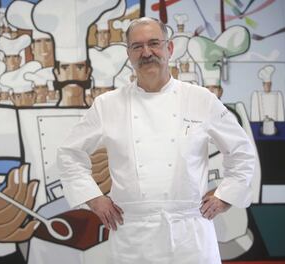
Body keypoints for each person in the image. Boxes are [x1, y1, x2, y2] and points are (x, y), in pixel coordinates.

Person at [57, 17, 255, 264]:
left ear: (169, 49)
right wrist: (94, 198)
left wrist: (226, 196)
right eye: (137, 46)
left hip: (190, 234)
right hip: (133, 235)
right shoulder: (107, 105)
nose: (146, 52)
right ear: (129, 54)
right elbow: (69, 154)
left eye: (154, 43)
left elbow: (241, 152)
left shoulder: (201, 99)